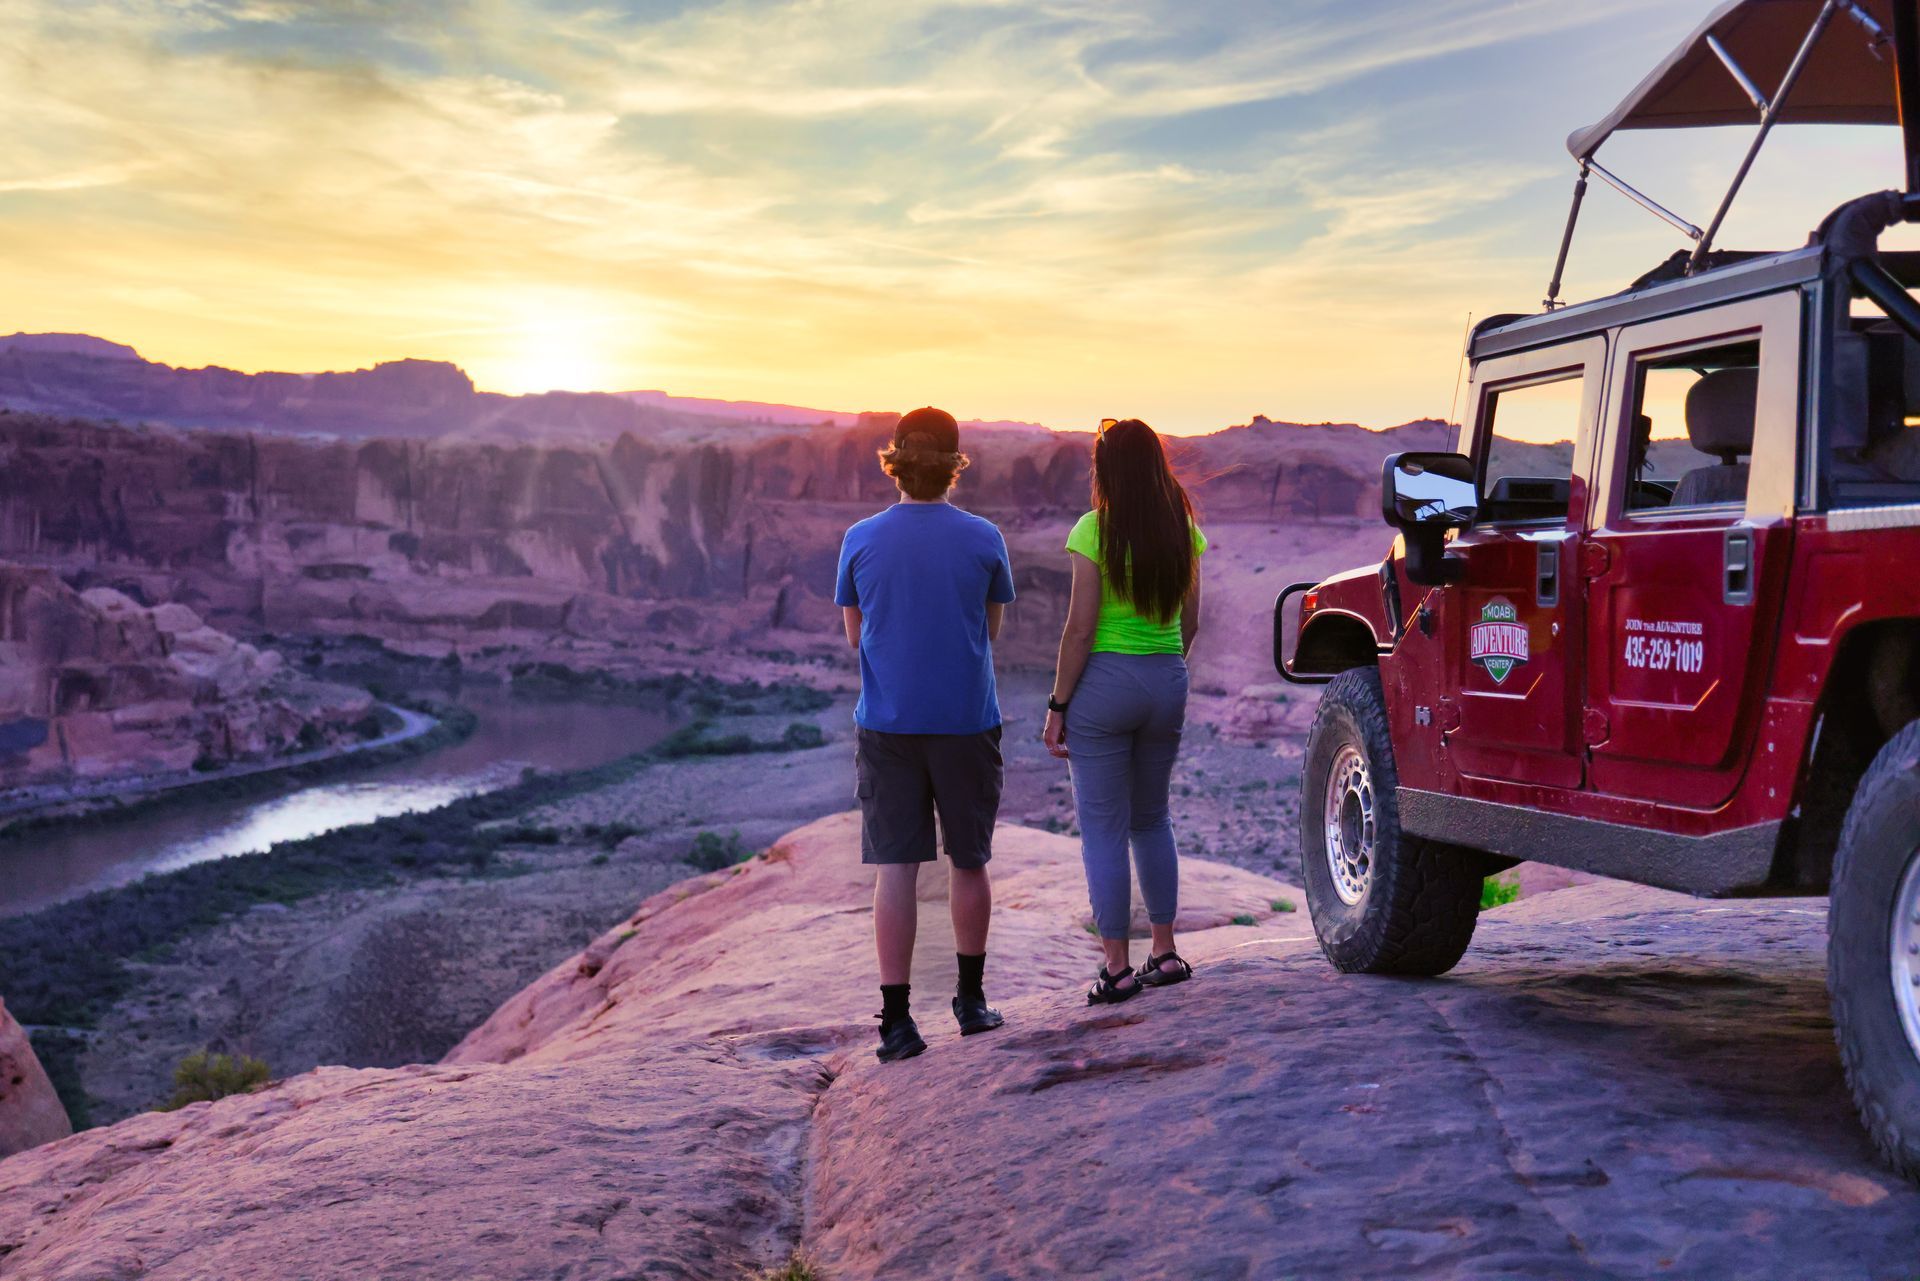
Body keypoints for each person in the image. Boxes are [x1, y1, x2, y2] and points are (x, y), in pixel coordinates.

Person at [834, 406, 1016, 1061]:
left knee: (897, 870)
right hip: (966, 721)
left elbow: (856, 636)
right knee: (969, 860)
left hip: (888, 724)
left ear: (897, 462)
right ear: (953, 466)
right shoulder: (985, 536)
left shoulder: (860, 537)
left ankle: (897, 1022)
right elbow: (990, 631)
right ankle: (970, 1004)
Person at [1042, 418, 1206, 1005]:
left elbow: (1080, 628)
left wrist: (1059, 702)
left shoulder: (1094, 530)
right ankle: (1165, 953)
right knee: (1152, 818)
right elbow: (1191, 622)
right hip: (1168, 679)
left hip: (1105, 686)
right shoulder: (1182, 529)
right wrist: (1163, 669)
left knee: (1105, 831)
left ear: (1106, 471)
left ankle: (1116, 969)